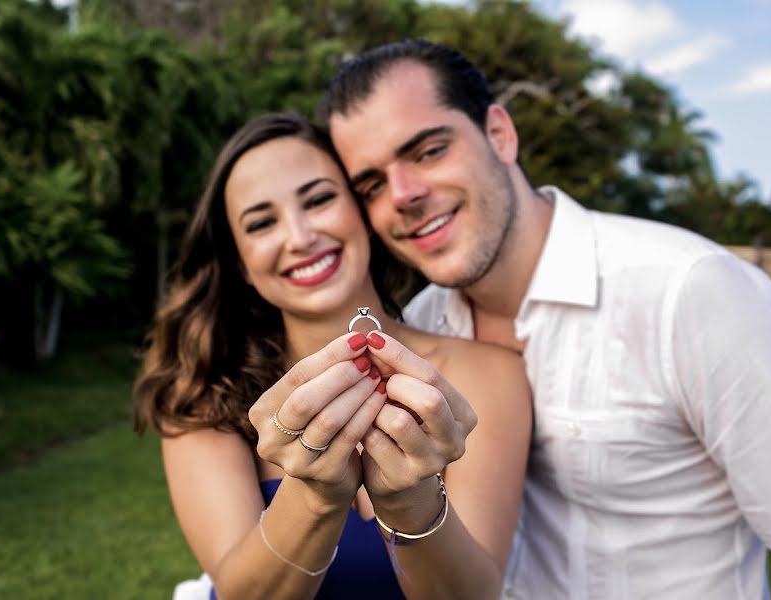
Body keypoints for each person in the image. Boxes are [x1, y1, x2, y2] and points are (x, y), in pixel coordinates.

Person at [319, 39, 771, 599]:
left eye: (429, 151)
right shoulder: (420, 329)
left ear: (500, 135)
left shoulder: (691, 293)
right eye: (372, 184)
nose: (404, 195)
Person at [133, 112, 532, 600]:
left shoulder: (487, 374)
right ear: (240, 261)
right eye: (261, 223)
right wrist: (315, 494)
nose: (299, 238)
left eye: (319, 200)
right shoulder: (203, 395)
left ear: (362, 210)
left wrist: (411, 502)